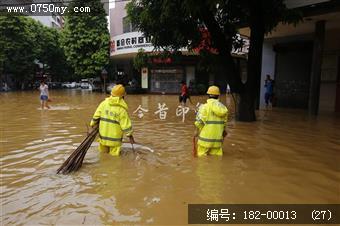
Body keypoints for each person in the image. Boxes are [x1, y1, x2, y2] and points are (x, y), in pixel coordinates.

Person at [90, 84, 135, 156]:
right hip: (115, 141)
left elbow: (95, 117)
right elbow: (126, 126)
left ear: (111, 94)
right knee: (114, 159)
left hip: (103, 138)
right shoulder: (122, 109)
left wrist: (92, 125)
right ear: (122, 96)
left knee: (102, 155)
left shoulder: (103, 104)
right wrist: (130, 137)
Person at [194, 85, 228, 157]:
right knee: (217, 161)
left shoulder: (204, 107)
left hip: (204, 141)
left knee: (202, 161)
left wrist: (196, 132)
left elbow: (199, 122)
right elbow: (224, 124)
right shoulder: (224, 108)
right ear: (218, 96)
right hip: (217, 141)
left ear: (208, 95)